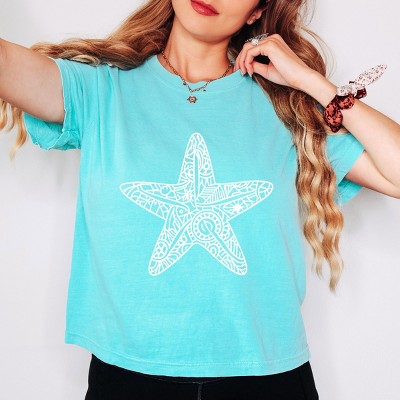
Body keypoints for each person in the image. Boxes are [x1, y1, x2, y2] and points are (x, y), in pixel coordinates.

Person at [1, 0, 399, 399]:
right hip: (128, 376)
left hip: (266, 377)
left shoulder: (287, 106)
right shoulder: (100, 89)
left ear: (256, 12)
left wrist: (312, 83)